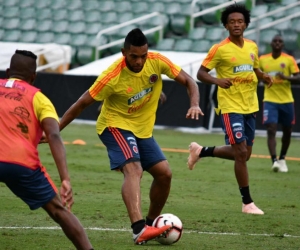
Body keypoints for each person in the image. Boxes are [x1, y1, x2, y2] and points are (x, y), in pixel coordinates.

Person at [58, 28, 204, 244]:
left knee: (164, 175)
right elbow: (80, 104)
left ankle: (152, 224)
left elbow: (190, 81)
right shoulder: (111, 76)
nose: (139, 61)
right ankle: (139, 230)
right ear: (123, 52)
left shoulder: (156, 61)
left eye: (143, 56)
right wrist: (55, 129)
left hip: (142, 130)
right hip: (113, 126)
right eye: (134, 56)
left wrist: (194, 104)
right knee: (134, 169)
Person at [0, 50, 93, 250]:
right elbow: (53, 135)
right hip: (20, 162)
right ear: (33, 77)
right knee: (59, 211)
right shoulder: (38, 98)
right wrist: (65, 179)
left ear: (7, 72)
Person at [188, 4, 273, 215]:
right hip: (230, 106)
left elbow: (253, 68)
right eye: (232, 21)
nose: (236, 24)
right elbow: (200, 73)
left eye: (240, 21)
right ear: (226, 25)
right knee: (241, 152)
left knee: (245, 154)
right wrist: (217, 80)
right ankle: (247, 203)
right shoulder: (220, 49)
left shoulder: (252, 47)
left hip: (250, 105)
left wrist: (263, 76)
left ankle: (201, 151)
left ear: (246, 24)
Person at [259, 34, 300, 173]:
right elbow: (257, 75)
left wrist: (285, 77)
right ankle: (274, 161)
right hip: (270, 100)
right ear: (271, 44)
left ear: (283, 45)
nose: (277, 43)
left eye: (280, 41)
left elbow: (298, 77)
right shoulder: (263, 60)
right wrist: (262, 79)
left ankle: (282, 158)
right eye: (275, 41)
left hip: (287, 101)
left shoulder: (289, 60)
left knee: (287, 131)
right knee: (271, 129)